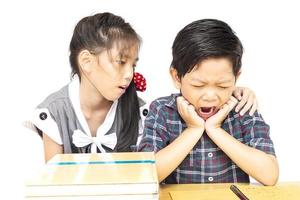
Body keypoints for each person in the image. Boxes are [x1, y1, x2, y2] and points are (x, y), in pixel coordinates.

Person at [26, 13, 257, 163]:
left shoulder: (140, 110)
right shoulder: (55, 113)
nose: (130, 74)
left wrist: (232, 92)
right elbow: (52, 183)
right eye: (121, 62)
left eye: (133, 64)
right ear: (86, 61)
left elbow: (189, 95)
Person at [138, 19, 279, 186]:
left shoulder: (243, 107)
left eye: (222, 85)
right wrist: (193, 130)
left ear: (236, 77)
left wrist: (216, 129)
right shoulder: (162, 110)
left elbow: (270, 175)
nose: (210, 96)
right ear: (177, 77)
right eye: (198, 85)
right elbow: (145, 175)